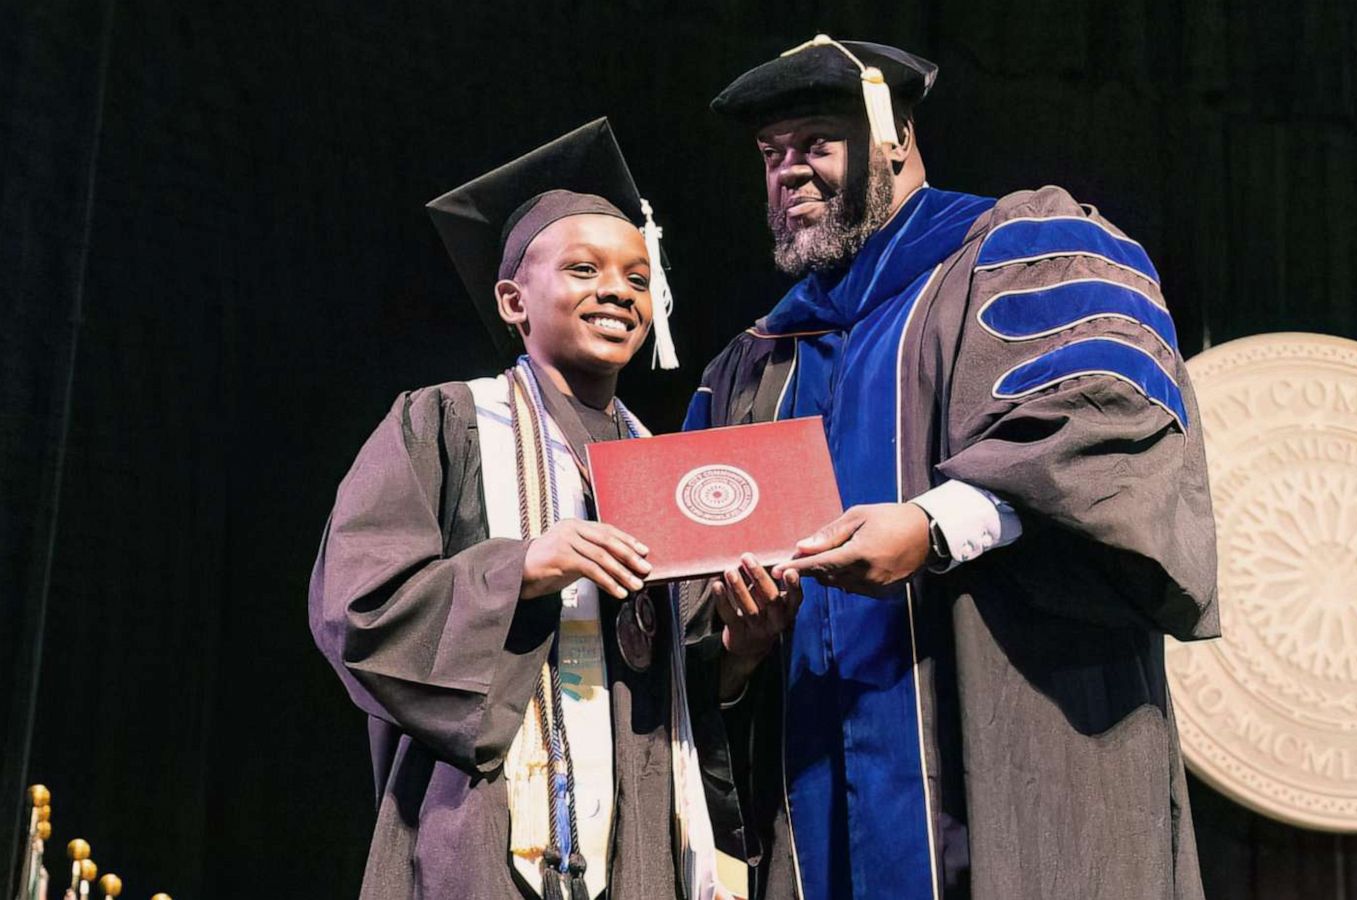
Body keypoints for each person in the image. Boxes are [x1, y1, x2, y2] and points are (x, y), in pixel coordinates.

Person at [684, 37, 1221, 900]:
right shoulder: (751, 366)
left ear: (894, 136)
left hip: (1015, 763)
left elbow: (1108, 419)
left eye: (816, 143)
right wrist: (736, 646)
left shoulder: (1021, 247)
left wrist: (935, 526)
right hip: (819, 794)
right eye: (770, 155)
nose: (788, 173)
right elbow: (695, 591)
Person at [309, 119, 776, 900]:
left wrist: (739, 650)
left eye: (636, 276)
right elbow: (355, 607)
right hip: (481, 830)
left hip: (645, 846)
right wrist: (520, 567)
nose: (617, 292)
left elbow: (681, 680)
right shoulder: (443, 423)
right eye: (585, 269)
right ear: (513, 300)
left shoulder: (667, 468)